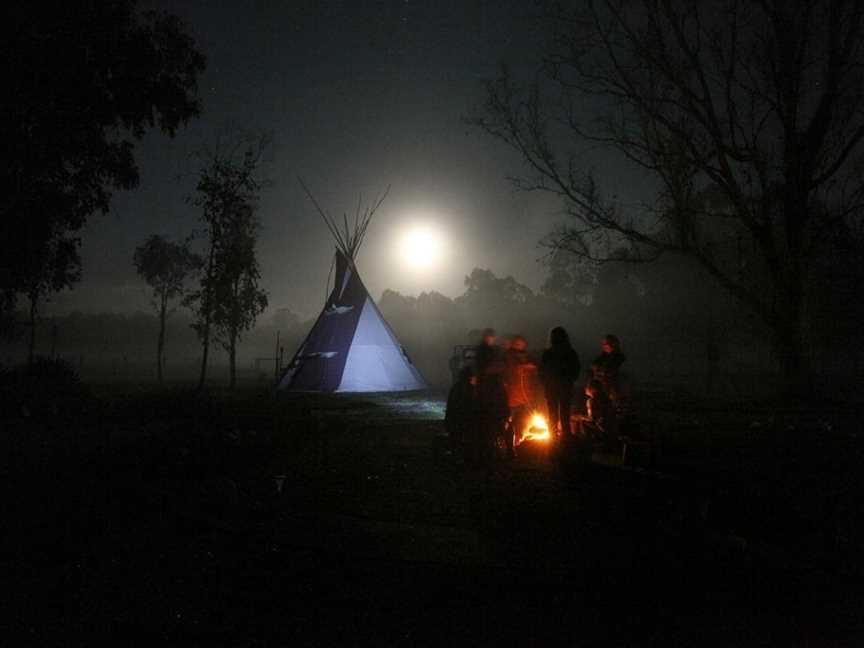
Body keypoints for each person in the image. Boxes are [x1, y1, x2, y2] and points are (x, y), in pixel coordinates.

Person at [473, 328, 509, 465]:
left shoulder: (493, 350)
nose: (491, 339)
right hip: (487, 385)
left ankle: (493, 443)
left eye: (492, 337)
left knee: (493, 413)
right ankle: (489, 444)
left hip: (493, 384)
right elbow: (483, 367)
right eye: (489, 337)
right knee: (487, 413)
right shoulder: (483, 350)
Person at [540, 326, 581, 441]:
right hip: (563, 388)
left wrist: (545, 383)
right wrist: (570, 380)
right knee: (564, 413)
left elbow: (542, 371)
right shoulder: (570, 352)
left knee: (554, 413)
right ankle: (565, 437)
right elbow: (576, 369)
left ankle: (555, 437)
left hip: (555, 388)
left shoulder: (549, 353)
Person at [503, 334, 538, 455]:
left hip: (524, 397)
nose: (520, 346)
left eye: (522, 344)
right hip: (512, 396)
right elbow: (511, 369)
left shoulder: (525, 356)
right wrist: (525, 366)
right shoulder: (509, 356)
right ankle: (509, 447)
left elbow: (531, 375)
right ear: (514, 344)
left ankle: (519, 442)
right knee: (510, 421)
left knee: (522, 421)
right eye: (518, 343)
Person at [574, 379, 617, 449]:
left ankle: (587, 444)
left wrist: (580, 417)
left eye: (588, 387)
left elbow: (592, 419)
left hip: (604, 430)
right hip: (613, 430)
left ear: (593, 389)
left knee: (583, 422)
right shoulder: (607, 399)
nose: (586, 388)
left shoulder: (591, 401)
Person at [590, 334, 628, 404]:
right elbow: (593, 365)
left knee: (613, 404)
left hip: (613, 388)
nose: (604, 346)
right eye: (603, 344)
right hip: (602, 387)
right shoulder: (602, 357)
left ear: (613, 344)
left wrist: (601, 371)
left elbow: (611, 371)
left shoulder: (619, 357)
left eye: (606, 344)